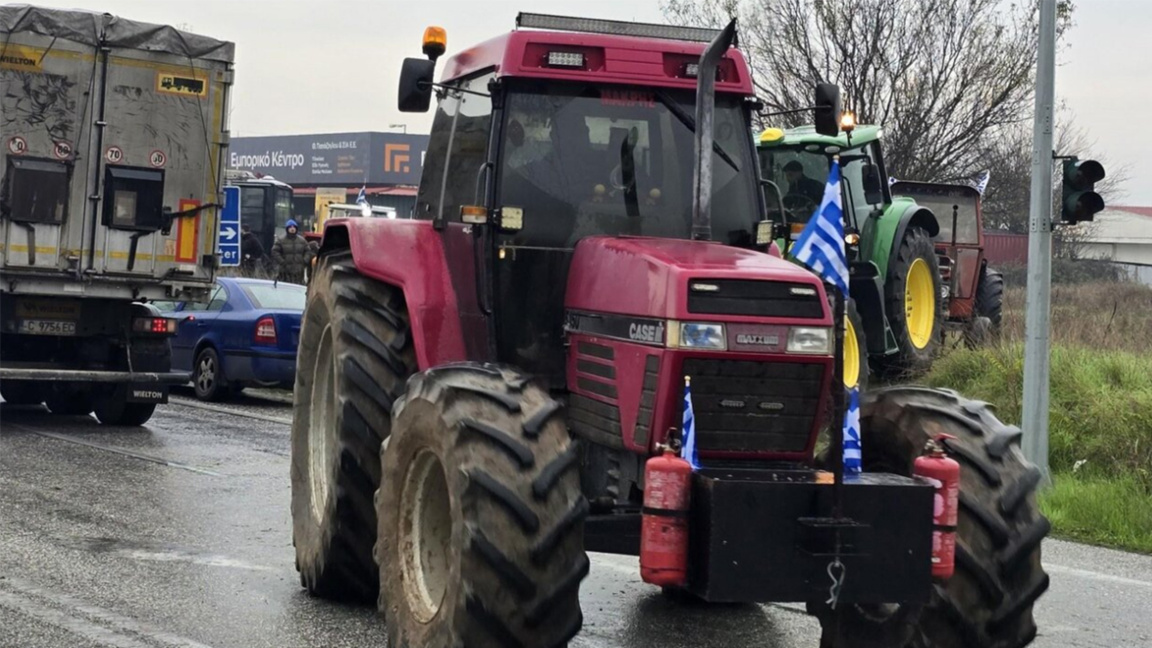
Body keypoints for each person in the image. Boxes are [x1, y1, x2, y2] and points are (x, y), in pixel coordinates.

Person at [270, 220, 314, 285]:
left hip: (299, 272)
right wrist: (282, 262)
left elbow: (308, 251)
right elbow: (274, 251)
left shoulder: (302, 240)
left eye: (294, 227)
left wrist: (304, 261)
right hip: (285, 271)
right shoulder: (281, 240)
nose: (292, 228)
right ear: (287, 229)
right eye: (290, 227)